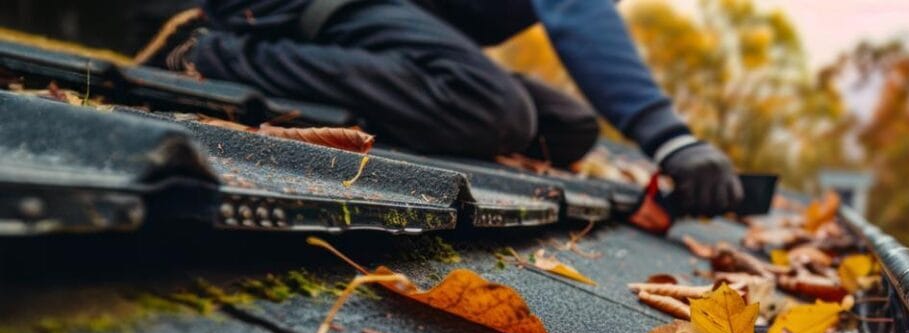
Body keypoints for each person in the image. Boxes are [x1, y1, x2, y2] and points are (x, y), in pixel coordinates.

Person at [135, 0, 743, 216]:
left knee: (568, 127)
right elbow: (577, 13)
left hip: (385, 20)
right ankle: (212, 52)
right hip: (292, 5)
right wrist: (671, 138)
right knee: (492, 110)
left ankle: (370, 95)